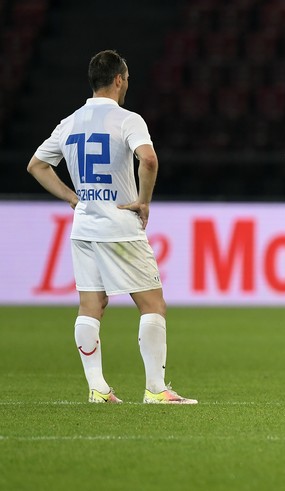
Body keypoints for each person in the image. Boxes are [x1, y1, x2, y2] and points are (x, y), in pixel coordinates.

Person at [27, 50, 197, 404]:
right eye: (128, 78)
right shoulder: (127, 120)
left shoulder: (69, 122)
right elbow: (148, 159)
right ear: (119, 79)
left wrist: (73, 198)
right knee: (153, 304)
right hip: (119, 226)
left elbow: (37, 166)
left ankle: (98, 389)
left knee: (91, 306)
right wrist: (144, 201)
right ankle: (156, 389)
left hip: (84, 227)